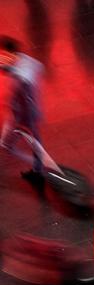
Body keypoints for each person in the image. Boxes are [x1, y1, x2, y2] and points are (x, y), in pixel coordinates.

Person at [0, 36, 45, 182]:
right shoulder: (26, 60)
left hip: (22, 115)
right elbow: (38, 66)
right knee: (35, 141)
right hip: (32, 111)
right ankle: (38, 168)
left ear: (10, 52)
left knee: (6, 144)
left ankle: (38, 167)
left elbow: (19, 82)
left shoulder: (21, 76)